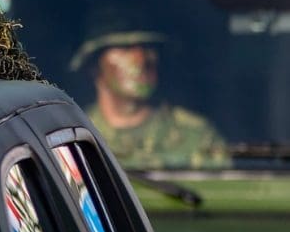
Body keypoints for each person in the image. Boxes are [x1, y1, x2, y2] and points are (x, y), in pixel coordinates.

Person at [71, 12, 228, 169]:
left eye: (147, 48)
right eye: (124, 49)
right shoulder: (73, 137)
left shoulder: (195, 136)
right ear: (93, 65)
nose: (141, 59)